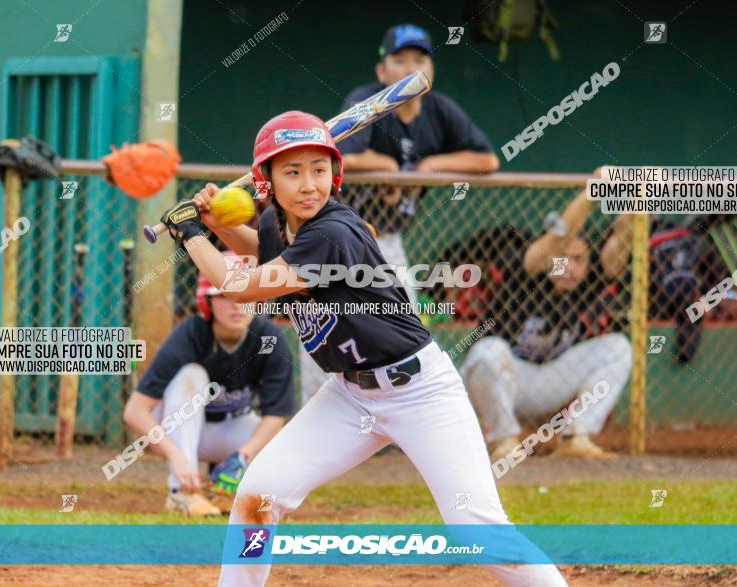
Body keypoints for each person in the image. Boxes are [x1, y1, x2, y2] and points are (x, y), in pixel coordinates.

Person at [159, 111, 566, 586]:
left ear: (336, 174)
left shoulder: (334, 232)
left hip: (419, 390)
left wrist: (190, 234)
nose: (310, 184)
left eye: (318, 169)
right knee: (260, 495)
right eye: (292, 172)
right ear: (266, 180)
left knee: (475, 528)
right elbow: (260, 250)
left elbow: (242, 285)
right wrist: (211, 223)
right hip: (351, 395)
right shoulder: (280, 225)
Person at [292, 23, 501, 402]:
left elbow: (488, 160)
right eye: (399, 60)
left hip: (386, 240)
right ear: (382, 71)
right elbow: (339, 155)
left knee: (405, 324)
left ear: (431, 69)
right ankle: (315, 414)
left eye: (419, 60)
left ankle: (397, 415)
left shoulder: (440, 111)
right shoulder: (368, 100)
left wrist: (430, 165)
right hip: (334, 238)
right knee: (325, 324)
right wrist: (385, 166)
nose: (410, 68)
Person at [461, 179, 633, 460]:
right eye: (563, 258)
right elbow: (557, 240)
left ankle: (576, 438)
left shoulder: (584, 281)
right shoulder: (526, 268)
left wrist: (639, 198)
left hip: (546, 381)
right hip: (500, 380)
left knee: (618, 348)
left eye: (579, 260)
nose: (570, 268)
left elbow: (621, 245)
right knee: (488, 352)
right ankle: (504, 441)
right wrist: (594, 189)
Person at [122, 268, 295, 515]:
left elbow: (275, 416)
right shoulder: (191, 333)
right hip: (174, 432)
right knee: (191, 375)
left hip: (227, 430)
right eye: (225, 295)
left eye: (245, 296)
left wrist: (242, 456)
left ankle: (224, 491)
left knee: (276, 443)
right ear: (208, 301)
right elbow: (134, 412)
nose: (237, 305)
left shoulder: (269, 338)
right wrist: (176, 456)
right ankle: (182, 494)